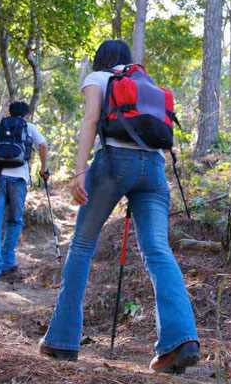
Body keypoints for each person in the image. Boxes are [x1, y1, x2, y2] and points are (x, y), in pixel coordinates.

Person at [39, 40, 200, 374]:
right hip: (154, 169)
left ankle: (62, 340)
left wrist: (79, 171)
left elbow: (91, 121)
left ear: (101, 60)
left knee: (82, 246)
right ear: (129, 61)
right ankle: (181, 340)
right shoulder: (147, 84)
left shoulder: (98, 78)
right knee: (158, 250)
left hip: (113, 163)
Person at [0, 101, 48, 282]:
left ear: (9, 112)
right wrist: (43, 168)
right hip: (19, 180)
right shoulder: (29, 127)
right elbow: (43, 145)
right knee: (14, 221)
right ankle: (7, 262)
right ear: (26, 114)